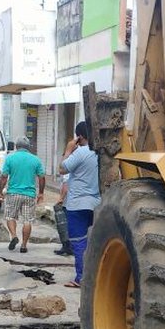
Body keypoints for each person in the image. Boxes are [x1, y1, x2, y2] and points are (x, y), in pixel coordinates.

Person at [59, 121, 101, 288]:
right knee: (94, 241)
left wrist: (68, 150)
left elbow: (62, 169)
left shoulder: (82, 152)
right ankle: (96, 276)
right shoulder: (101, 153)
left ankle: (81, 278)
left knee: (78, 242)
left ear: (79, 137)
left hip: (77, 204)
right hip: (97, 203)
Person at [0, 136, 45, 254]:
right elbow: (42, 177)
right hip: (29, 194)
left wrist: (0, 191)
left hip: (13, 193)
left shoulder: (10, 158)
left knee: (10, 216)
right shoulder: (36, 160)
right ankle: (23, 245)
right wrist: (41, 193)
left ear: (16, 147)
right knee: (27, 220)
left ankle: (13, 236)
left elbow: (4, 176)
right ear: (28, 147)